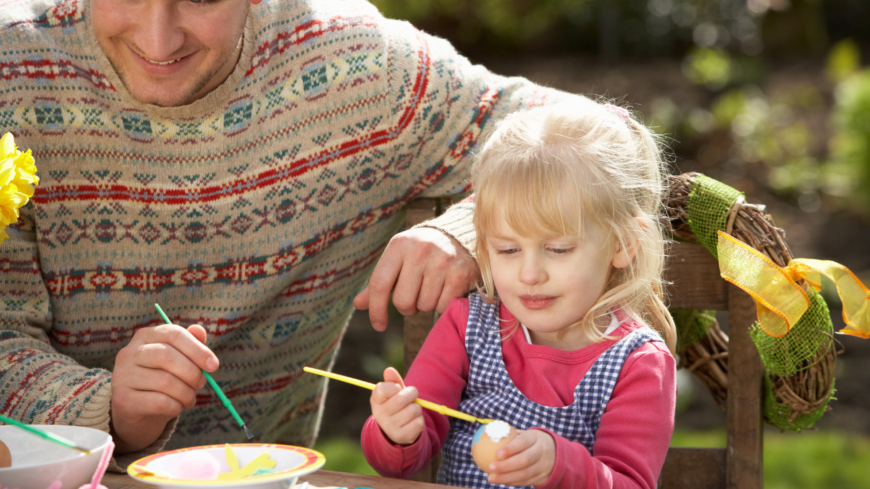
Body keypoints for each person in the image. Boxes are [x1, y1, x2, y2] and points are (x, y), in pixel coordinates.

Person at [0, 0, 583, 469]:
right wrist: (110, 410)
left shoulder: (357, 66)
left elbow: (595, 134)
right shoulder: (12, 67)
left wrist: (471, 228)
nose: (158, 39)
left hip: (270, 475)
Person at [361, 101, 678, 488]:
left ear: (623, 243)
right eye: (508, 250)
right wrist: (396, 432)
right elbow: (400, 463)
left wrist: (559, 466)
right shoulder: (468, 326)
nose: (529, 274)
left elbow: (631, 483)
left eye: (558, 249)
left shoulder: (637, 363)